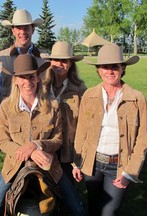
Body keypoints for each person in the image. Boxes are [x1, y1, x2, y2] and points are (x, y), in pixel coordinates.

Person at [0, 54, 85, 216]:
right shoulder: (6, 107)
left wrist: (36, 145)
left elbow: (57, 140)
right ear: (15, 80)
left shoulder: (52, 106)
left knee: (77, 209)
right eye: (22, 77)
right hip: (14, 165)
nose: (27, 82)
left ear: (38, 78)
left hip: (49, 165)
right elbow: (3, 141)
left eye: (31, 77)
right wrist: (30, 151)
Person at [72, 43, 147, 216]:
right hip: (92, 163)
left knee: (110, 211)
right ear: (98, 70)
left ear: (123, 68)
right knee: (93, 204)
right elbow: (81, 131)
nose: (110, 71)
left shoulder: (137, 99)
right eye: (105, 67)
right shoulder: (89, 95)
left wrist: (130, 172)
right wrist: (77, 162)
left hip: (118, 165)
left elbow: (142, 139)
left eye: (114, 66)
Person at [42, 41, 87, 183]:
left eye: (64, 60)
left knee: (67, 187)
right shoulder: (41, 87)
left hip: (68, 149)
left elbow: (85, 123)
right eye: (56, 60)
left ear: (71, 63)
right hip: (47, 145)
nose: (60, 64)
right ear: (50, 62)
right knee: (46, 188)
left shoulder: (80, 90)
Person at [0, 9, 45, 120]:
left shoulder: (44, 58)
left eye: (26, 28)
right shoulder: (1, 58)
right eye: (19, 28)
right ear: (13, 31)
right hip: (9, 118)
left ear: (33, 30)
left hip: (39, 118)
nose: (23, 32)